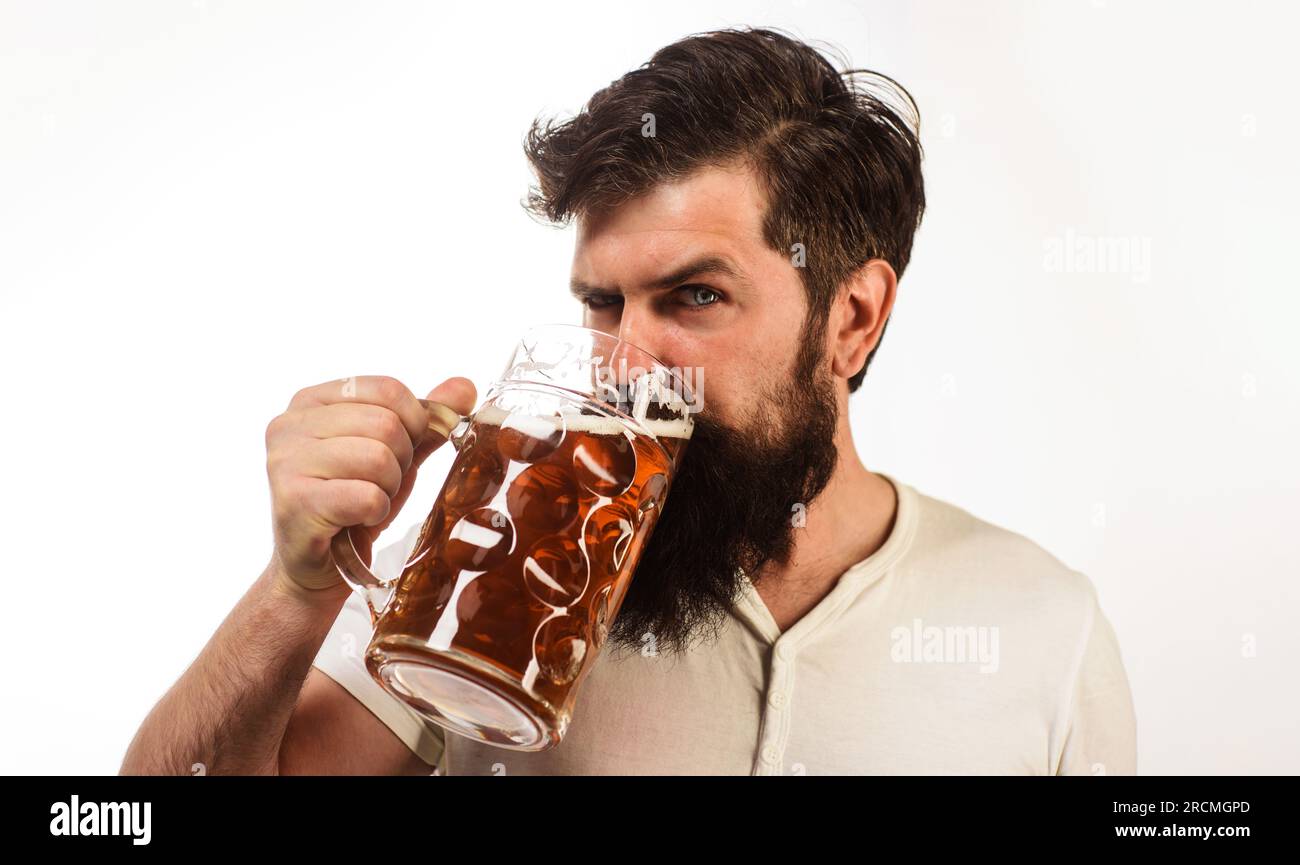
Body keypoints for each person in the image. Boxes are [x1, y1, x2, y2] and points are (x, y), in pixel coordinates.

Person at [121, 27, 1135, 776]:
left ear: (853, 318)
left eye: (695, 296)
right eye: (602, 302)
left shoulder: (1042, 625)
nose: (626, 361)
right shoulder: (497, 564)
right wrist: (293, 594)